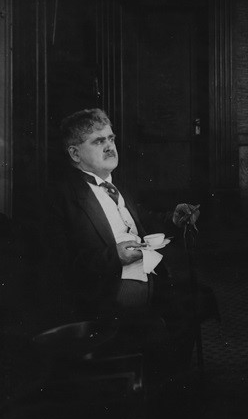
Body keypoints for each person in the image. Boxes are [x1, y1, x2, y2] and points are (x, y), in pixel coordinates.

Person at [42, 108, 203, 372]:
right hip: (107, 292)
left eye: (111, 138)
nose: (109, 146)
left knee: (191, 305)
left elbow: (140, 220)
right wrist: (114, 257)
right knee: (162, 328)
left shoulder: (117, 185)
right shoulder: (61, 198)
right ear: (74, 153)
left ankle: (171, 386)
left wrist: (172, 219)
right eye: (98, 141)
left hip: (148, 276)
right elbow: (59, 264)